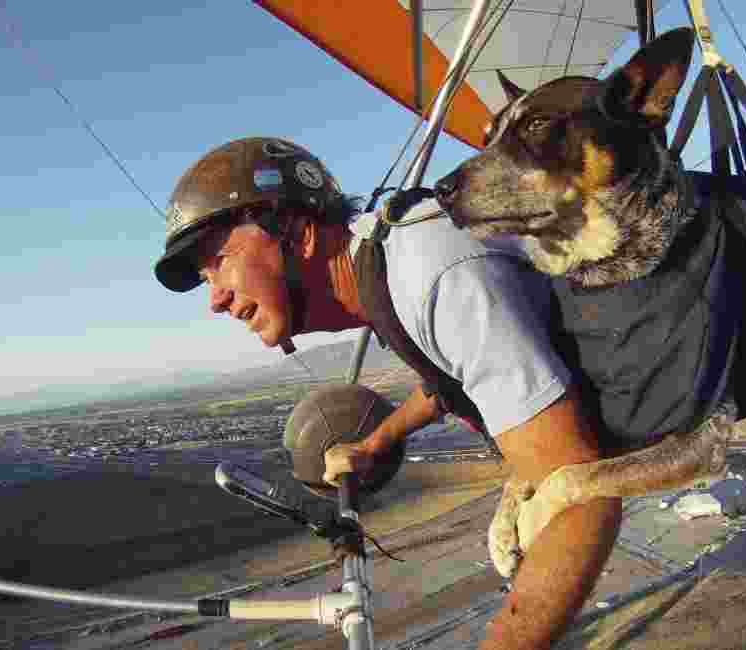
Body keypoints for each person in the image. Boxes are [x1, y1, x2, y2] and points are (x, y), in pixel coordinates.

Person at [153, 137, 621, 650]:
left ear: (294, 231)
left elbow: (582, 492)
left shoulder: (430, 273)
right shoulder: (389, 270)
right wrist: (377, 442)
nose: (214, 300)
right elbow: (453, 379)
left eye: (219, 261)